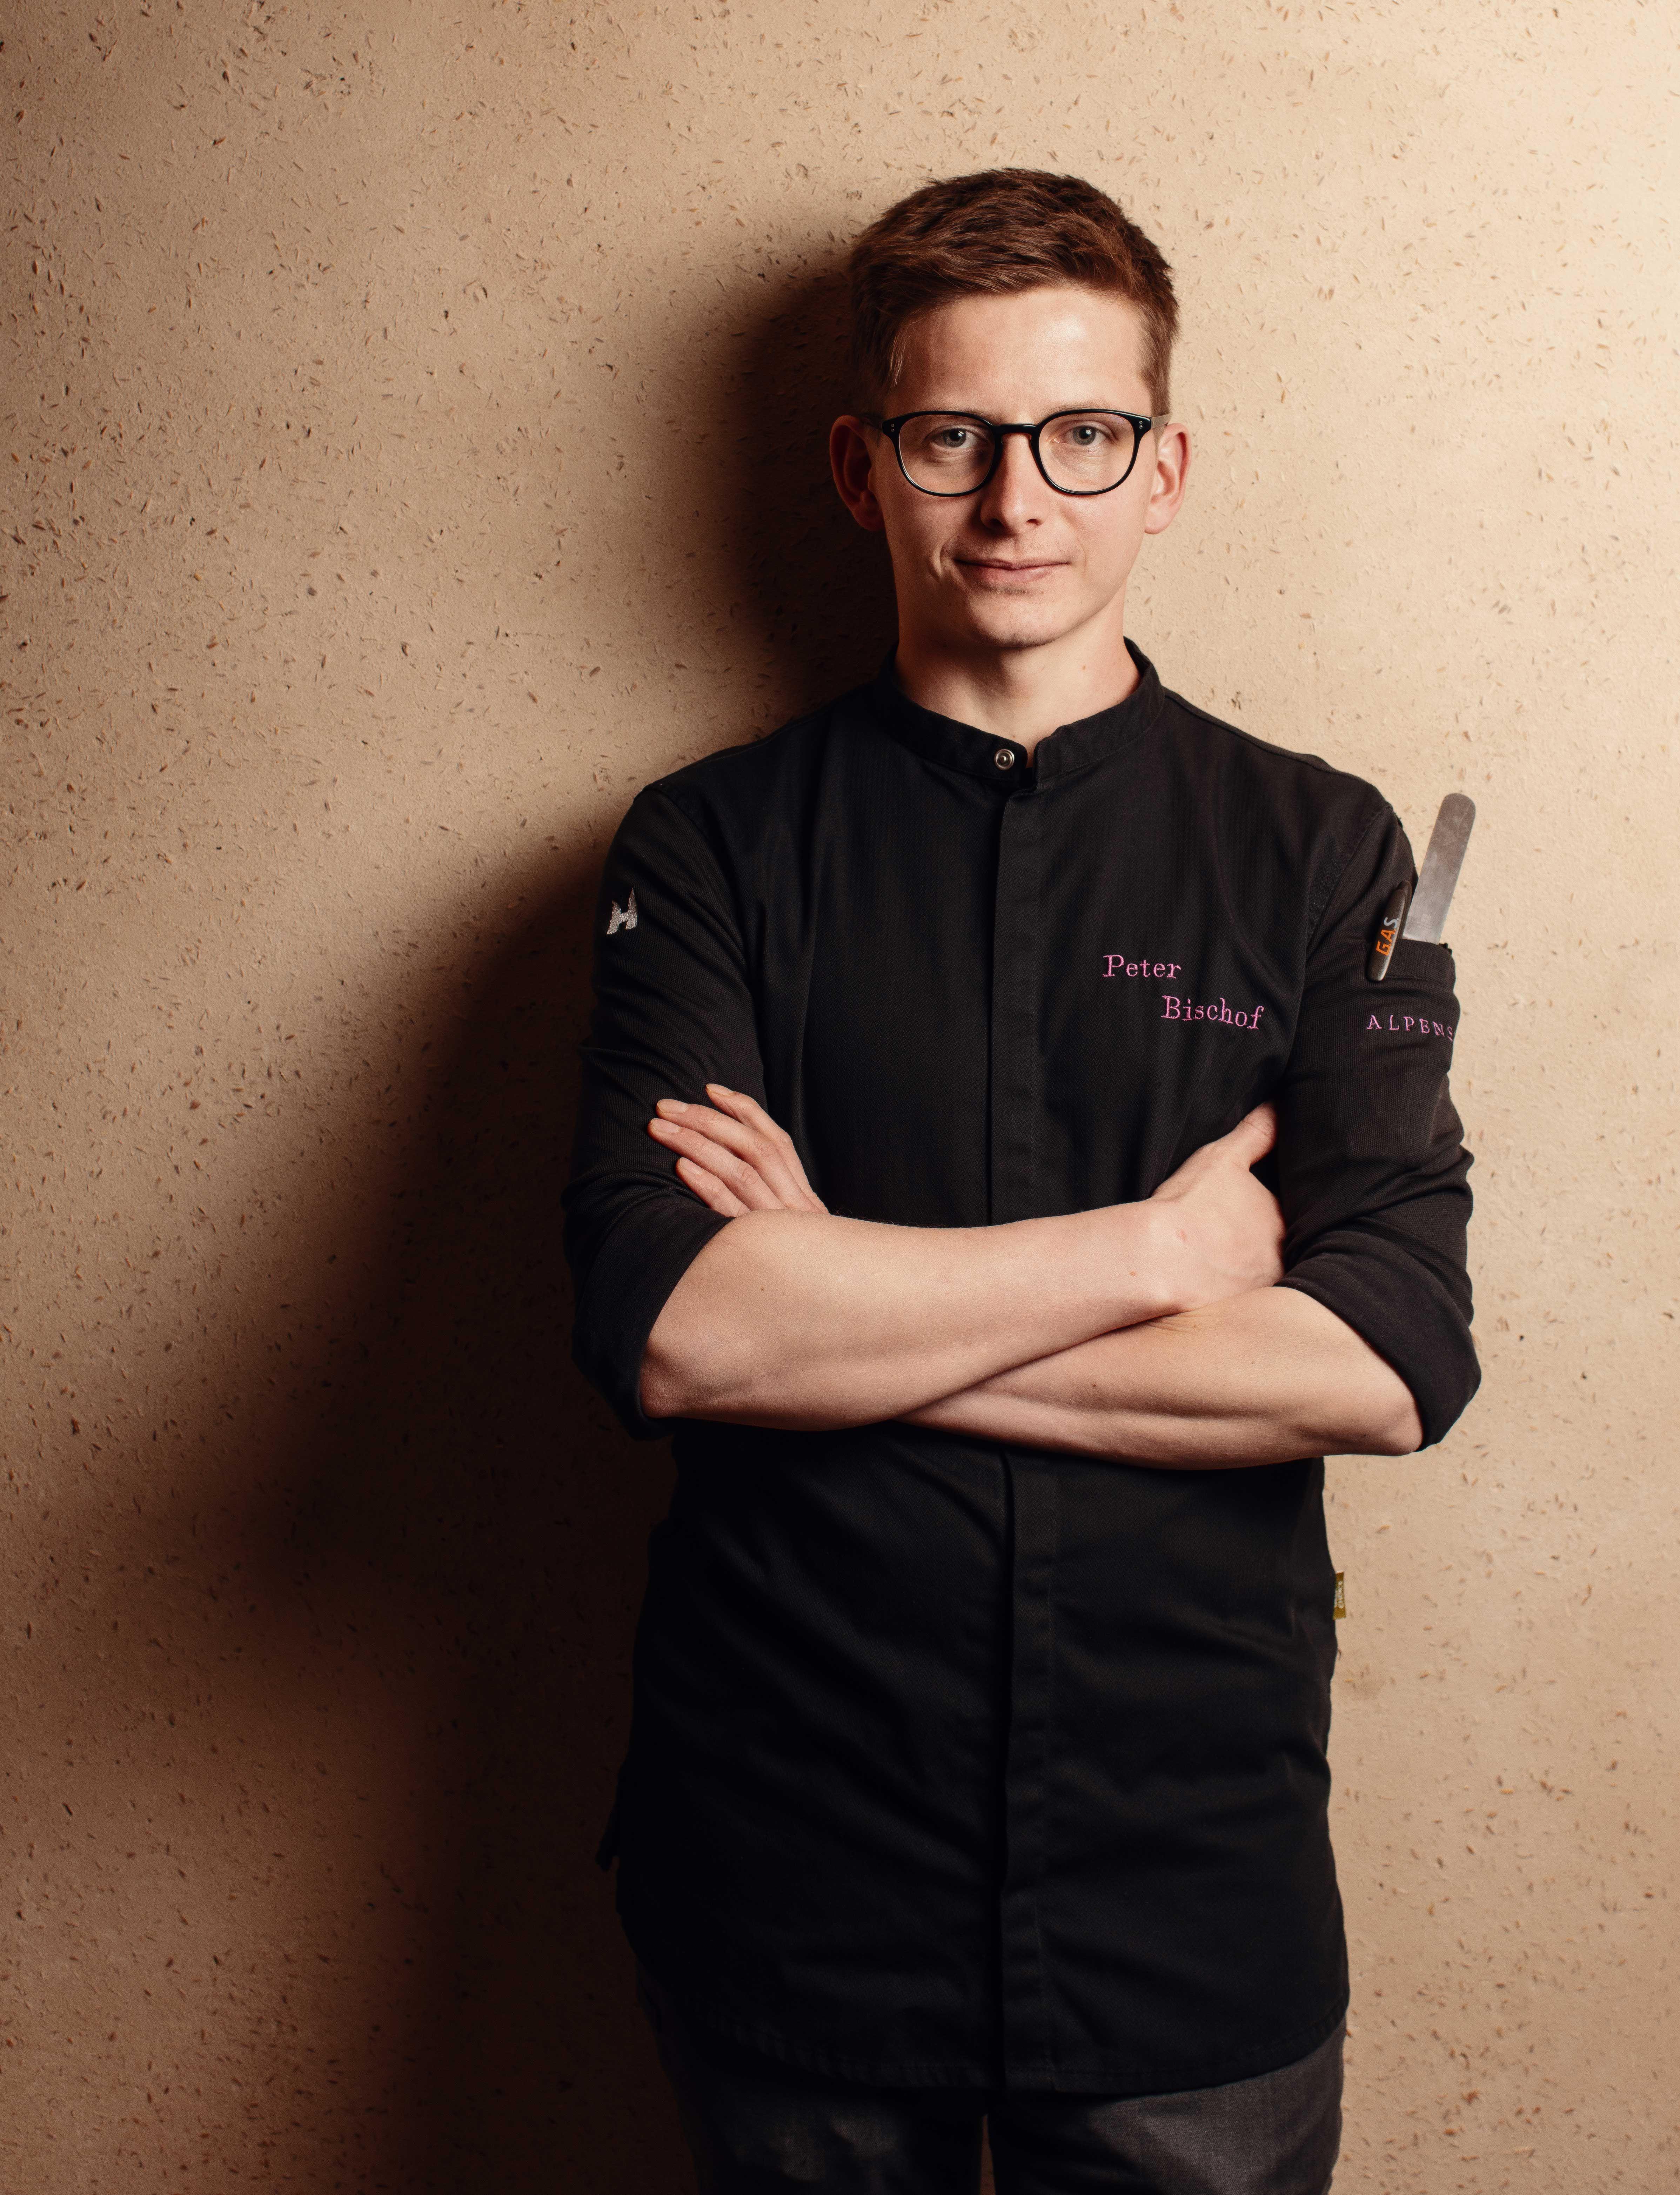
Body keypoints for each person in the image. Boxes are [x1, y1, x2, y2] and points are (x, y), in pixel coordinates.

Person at [562, 168, 1477, 2195]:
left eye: (1078, 437)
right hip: (792, 1872)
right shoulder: (704, 849)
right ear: (856, 465)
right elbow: (673, 1331)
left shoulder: (1332, 856)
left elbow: (1387, 1358)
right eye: (950, 436)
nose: (1012, 501)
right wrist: (1157, 1257)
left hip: (1188, 1888)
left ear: (1162, 469)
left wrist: (846, 1319)